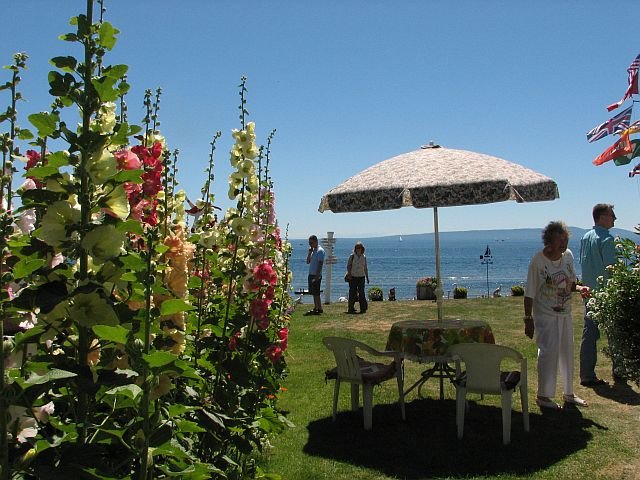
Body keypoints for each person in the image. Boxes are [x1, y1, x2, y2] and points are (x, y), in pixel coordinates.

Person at [524, 221, 587, 409]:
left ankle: (569, 393)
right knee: (548, 352)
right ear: (549, 241)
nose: (563, 243)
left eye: (565, 239)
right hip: (545, 314)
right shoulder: (538, 261)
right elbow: (529, 293)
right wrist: (528, 319)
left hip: (565, 312)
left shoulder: (568, 256)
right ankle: (543, 396)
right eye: (560, 239)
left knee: (567, 351)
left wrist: (580, 288)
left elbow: (570, 283)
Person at [579, 203, 619, 386]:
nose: (615, 218)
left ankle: (586, 374)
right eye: (612, 215)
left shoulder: (585, 238)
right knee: (615, 333)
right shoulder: (607, 239)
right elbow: (613, 269)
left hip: (589, 292)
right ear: (602, 217)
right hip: (606, 292)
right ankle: (620, 370)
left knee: (589, 334)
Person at [345, 241, 370, 314]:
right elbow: (348, 266)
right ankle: (351, 308)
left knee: (361, 293)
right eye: (357, 248)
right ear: (355, 249)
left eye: (360, 248)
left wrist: (367, 277)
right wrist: (349, 274)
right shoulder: (352, 256)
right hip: (353, 277)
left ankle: (363, 308)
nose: (359, 249)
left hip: (361, 276)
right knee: (352, 293)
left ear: (362, 248)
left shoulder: (364, 257)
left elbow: (365, 268)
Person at [306, 235, 325, 315]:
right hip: (311, 274)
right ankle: (316, 307)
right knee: (313, 292)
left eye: (311, 243)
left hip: (316, 274)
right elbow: (308, 261)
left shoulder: (320, 251)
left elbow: (320, 263)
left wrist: (317, 275)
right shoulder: (313, 251)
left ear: (316, 241)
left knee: (316, 292)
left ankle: (319, 307)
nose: (310, 244)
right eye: (309, 243)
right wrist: (309, 252)